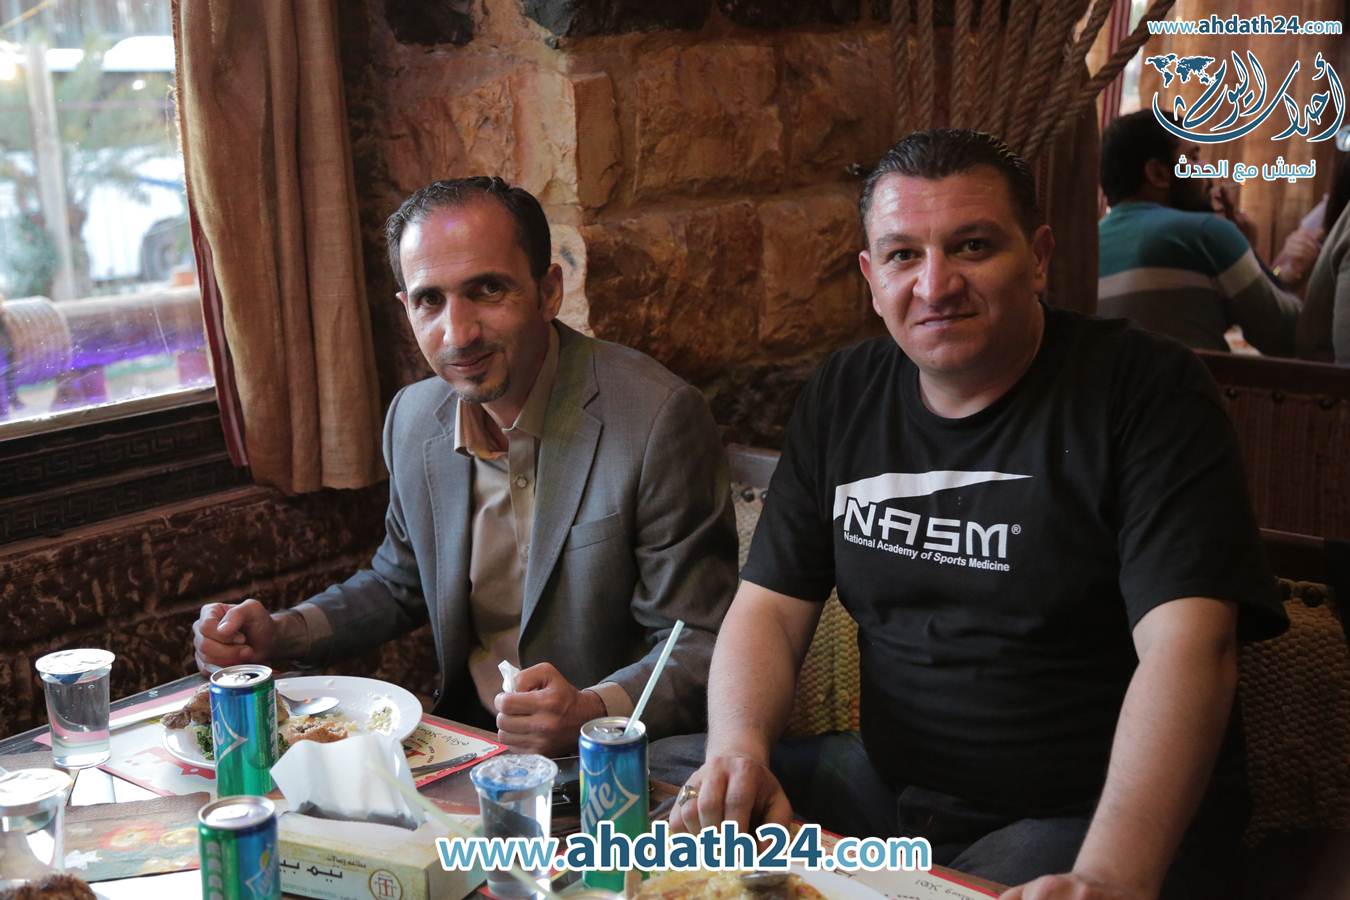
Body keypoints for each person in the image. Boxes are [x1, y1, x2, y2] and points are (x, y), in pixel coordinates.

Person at [673, 130, 1287, 900]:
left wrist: (1108, 875)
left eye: (972, 246)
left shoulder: (1147, 391)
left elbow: (1192, 648)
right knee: (652, 789)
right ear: (871, 277)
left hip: (1086, 815)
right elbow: (769, 606)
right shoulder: (845, 392)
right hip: (889, 791)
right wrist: (737, 752)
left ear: (1038, 257)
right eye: (903, 255)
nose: (935, 286)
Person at [192, 177, 737, 757]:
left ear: (549, 291)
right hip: (465, 744)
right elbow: (399, 582)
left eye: (488, 289)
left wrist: (592, 710)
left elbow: (699, 642)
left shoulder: (656, 420)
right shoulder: (412, 417)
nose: (458, 333)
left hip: (615, 759)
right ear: (406, 309)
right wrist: (281, 633)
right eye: (430, 300)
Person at [1097, 110, 1305, 356]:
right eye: (1193, 158)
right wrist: (1248, 248)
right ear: (1158, 174)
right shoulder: (1205, 233)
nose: (1207, 171)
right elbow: (1290, 337)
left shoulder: (1086, 248)